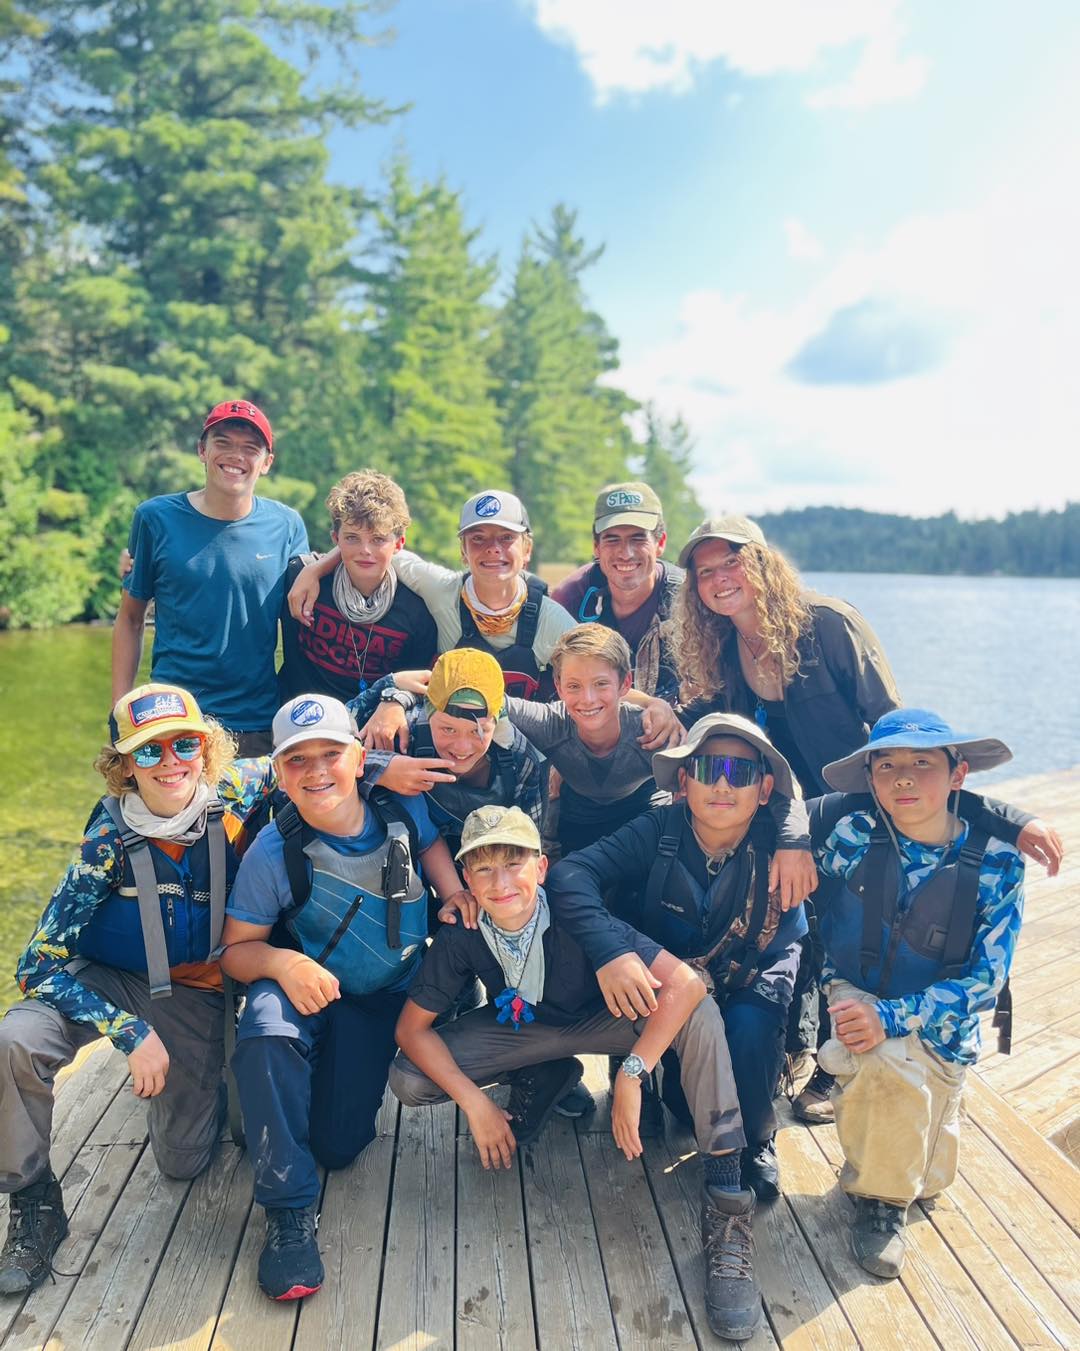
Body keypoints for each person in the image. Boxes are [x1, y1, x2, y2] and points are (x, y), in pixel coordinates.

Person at [390, 805, 767, 1344]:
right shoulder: (463, 931)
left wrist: (632, 1074)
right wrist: (474, 1103)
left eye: (514, 862)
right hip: (526, 1030)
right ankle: (548, 1076)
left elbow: (685, 985)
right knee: (409, 1078)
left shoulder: (574, 909)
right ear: (465, 879)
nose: (501, 883)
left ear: (541, 868)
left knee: (697, 1012)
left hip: (605, 1024)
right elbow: (411, 1032)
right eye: (483, 868)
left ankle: (727, 1202)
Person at [0, 683, 275, 1297]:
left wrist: (390, 703)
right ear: (123, 765)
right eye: (148, 752)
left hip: (190, 992)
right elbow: (37, 962)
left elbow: (310, 758)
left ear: (207, 750)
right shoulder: (105, 843)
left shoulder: (236, 790)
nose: (171, 761)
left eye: (184, 744)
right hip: (106, 978)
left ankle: (195, 1077)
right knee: (15, 1039)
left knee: (182, 1162)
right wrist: (129, 1032)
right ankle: (33, 1200)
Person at [217, 694, 473, 1303]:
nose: (317, 771)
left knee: (338, 1146)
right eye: (297, 761)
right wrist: (283, 961)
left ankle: (300, 1101)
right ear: (279, 773)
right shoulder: (274, 851)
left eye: (331, 753)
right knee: (266, 1025)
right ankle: (287, 1215)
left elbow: (432, 844)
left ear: (360, 758)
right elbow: (235, 951)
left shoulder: (402, 807)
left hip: (382, 998)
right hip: (309, 989)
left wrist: (455, 890)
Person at [546, 714, 809, 1205]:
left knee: (752, 1032)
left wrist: (797, 838)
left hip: (756, 968)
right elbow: (570, 875)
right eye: (709, 769)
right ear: (684, 781)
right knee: (685, 1115)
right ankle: (645, 1073)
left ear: (766, 787)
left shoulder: (784, 836)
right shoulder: (656, 828)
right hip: (675, 977)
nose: (725, 785)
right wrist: (612, 951)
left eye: (742, 772)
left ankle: (756, 1139)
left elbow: (861, 802)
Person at [809, 708, 1029, 1278]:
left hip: (942, 1026)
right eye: (886, 766)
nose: (903, 778)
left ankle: (904, 1148)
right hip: (855, 992)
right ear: (872, 779)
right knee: (880, 1058)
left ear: (958, 775)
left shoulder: (1000, 863)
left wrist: (895, 1015)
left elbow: (987, 980)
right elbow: (805, 905)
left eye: (922, 765)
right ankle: (881, 1206)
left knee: (929, 1180)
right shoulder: (851, 836)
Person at [113, 400, 308, 755]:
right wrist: (119, 708)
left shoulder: (287, 525)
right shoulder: (155, 518)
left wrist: (327, 563)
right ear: (202, 450)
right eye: (223, 443)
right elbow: (130, 618)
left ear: (267, 463)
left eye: (251, 448)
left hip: (257, 723)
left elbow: (304, 614)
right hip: (173, 718)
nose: (236, 456)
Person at [289, 488, 575, 704]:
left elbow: (604, 675)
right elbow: (372, 546)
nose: (493, 548)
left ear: (527, 550)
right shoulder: (442, 591)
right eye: (478, 539)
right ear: (462, 551)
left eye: (506, 538)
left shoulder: (551, 620)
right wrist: (314, 570)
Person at [347, 648, 546, 858]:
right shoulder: (401, 730)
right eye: (448, 729)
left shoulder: (521, 760)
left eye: (478, 731)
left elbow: (530, 851)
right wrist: (381, 769)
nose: (462, 747)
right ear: (427, 713)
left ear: (498, 722)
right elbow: (321, 749)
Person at [277, 470, 437, 703]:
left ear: (399, 544)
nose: (365, 550)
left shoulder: (417, 611)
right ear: (335, 539)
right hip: (299, 722)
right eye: (352, 537)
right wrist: (313, 569)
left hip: (372, 728)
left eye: (378, 539)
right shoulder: (301, 580)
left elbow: (415, 686)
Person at [551, 482, 684, 703]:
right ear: (596, 546)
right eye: (612, 539)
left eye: (638, 538)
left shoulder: (689, 598)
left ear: (660, 543)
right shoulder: (570, 599)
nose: (625, 553)